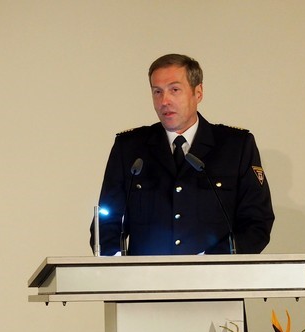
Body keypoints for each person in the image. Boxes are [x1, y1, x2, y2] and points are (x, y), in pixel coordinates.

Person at [91, 53, 274, 256]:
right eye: (157, 92)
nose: (164, 101)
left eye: (174, 90)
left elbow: (257, 223)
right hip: (144, 275)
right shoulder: (129, 148)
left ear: (198, 93)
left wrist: (211, 262)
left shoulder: (235, 146)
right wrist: (118, 265)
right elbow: (106, 224)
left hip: (215, 274)